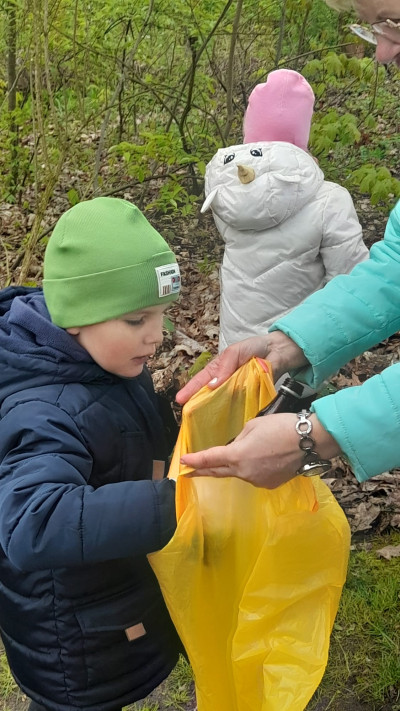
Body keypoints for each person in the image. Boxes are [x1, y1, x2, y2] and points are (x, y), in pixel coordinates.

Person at [176, 0, 400, 490]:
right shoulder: (326, 199)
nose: (382, 53)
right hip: (281, 345)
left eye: (393, 23)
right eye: (372, 29)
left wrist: (314, 435)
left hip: (236, 327)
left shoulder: (223, 189)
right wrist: (287, 342)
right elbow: (384, 269)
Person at [0, 197, 185, 711]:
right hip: (74, 634)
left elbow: (122, 437)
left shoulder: (104, 358)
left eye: (161, 315)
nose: (157, 334)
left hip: (109, 594)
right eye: (137, 319)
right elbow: (30, 523)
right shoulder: (41, 407)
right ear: (77, 316)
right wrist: (179, 502)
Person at [202, 68, 368, 352]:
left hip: (235, 348)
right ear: (302, 131)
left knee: (245, 394)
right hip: (297, 349)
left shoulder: (224, 190)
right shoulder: (329, 199)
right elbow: (351, 282)